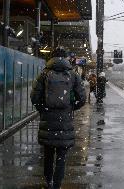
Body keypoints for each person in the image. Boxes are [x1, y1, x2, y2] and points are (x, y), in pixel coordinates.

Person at [30, 47, 86, 189]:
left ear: (52, 58)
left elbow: (34, 96)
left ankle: (48, 182)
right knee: (61, 158)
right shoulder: (73, 75)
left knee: (48, 156)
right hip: (64, 123)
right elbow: (82, 98)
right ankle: (57, 185)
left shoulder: (44, 74)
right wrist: (71, 107)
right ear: (66, 58)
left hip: (48, 122)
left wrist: (43, 109)